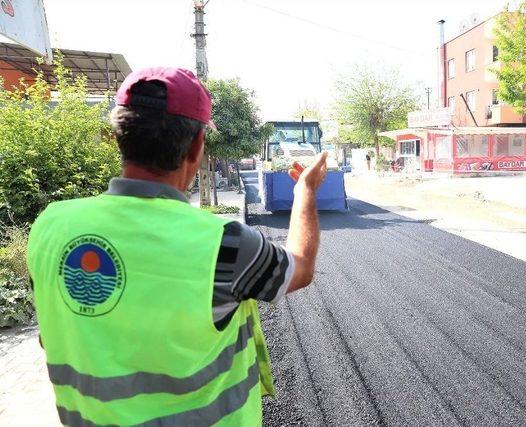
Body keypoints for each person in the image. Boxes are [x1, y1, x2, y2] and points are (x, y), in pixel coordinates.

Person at [27, 67, 327, 426]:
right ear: (197, 146)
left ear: (115, 137)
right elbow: (300, 267)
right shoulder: (226, 244)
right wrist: (305, 192)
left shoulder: (50, 226)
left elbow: (54, 336)